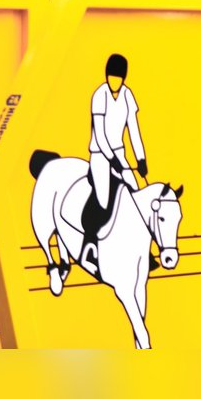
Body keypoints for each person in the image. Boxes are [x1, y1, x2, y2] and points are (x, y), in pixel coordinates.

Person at [82, 52, 147, 273]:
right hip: (100, 154)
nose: (114, 81)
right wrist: (111, 159)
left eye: (118, 77)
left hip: (120, 153)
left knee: (136, 194)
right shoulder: (99, 96)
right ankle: (90, 246)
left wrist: (141, 158)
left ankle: (140, 249)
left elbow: (134, 130)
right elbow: (99, 133)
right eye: (111, 76)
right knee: (103, 198)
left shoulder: (128, 96)